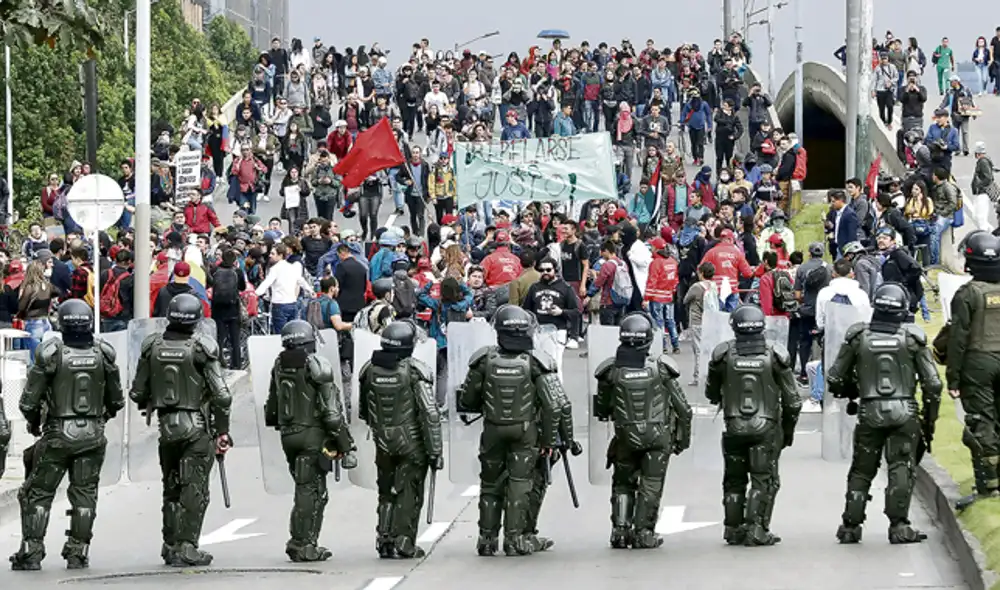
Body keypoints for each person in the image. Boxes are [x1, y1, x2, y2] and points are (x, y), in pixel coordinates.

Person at [9, 300, 124, 570]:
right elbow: (116, 400)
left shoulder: (51, 355)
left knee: (37, 493)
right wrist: (101, 418)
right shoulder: (103, 354)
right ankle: (78, 552)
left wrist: (36, 424)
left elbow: (28, 402)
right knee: (85, 493)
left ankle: (31, 552)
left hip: (57, 433)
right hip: (93, 432)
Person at [827, 283, 940, 544]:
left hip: (869, 409)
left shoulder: (858, 337)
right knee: (901, 466)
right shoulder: (912, 338)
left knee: (862, 469)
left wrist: (853, 390)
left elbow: (834, 377)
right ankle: (899, 526)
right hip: (904, 410)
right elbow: (933, 383)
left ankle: (850, 526)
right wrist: (929, 418)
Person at [130, 294, 232, 567]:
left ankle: (170, 544)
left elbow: (137, 391)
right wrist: (223, 431)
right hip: (197, 427)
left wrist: (153, 398)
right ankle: (187, 546)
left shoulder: (152, 346)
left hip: (167, 427)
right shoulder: (202, 348)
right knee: (195, 489)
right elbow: (222, 395)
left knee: (172, 487)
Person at [457, 305, 561, 557]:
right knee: (520, 482)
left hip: (492, 429)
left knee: (490, 483)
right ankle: (515, 540)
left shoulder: (483, 360)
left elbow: (467, 401)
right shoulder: (536, 362)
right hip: (525, 431)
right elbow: (554, 405)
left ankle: (486, 539)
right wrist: (550, 439)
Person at [705, 304, 801, 546]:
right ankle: (756, 528)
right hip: (766, 428)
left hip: (734, 427)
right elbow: (793, 401)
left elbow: (711, 392)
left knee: (734, 479)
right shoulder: (775, 355)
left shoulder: (723, 354)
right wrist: (787, 432)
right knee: (764, 479)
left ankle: (733, 528)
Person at [594, 313, 692, 549]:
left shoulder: (610, 371)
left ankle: (619, 531)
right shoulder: (662, 368)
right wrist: (683, 441)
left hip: (625, 436)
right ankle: (644, 533)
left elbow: (602, 409)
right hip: (658, 436)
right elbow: (684, 409)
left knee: (622, 484)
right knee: (651, 484)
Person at [265, 319, 356, 562]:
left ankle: (305, 541)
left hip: (288, 435)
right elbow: (332, 414)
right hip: (312, 436)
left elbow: (272, 407)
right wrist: (346, 446)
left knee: (306, 488)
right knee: (311, 491)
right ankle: (302, 544)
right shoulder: (317, 365)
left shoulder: (279, 364)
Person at [358, 321, 442, 559]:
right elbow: (430, 413)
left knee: (386, 491)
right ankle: (404, 542)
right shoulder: (415, 371)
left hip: (382, 440)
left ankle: (384, 540)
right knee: (409, 492)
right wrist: (435, 450)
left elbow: (363, 410)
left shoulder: (369, 370)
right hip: (411, 442)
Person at [945, 231, 1000, 501]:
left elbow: (958, 339)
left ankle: (989, 485)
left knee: (982, 421)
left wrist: (953, 379)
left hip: (978, 362)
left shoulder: (967, 294)